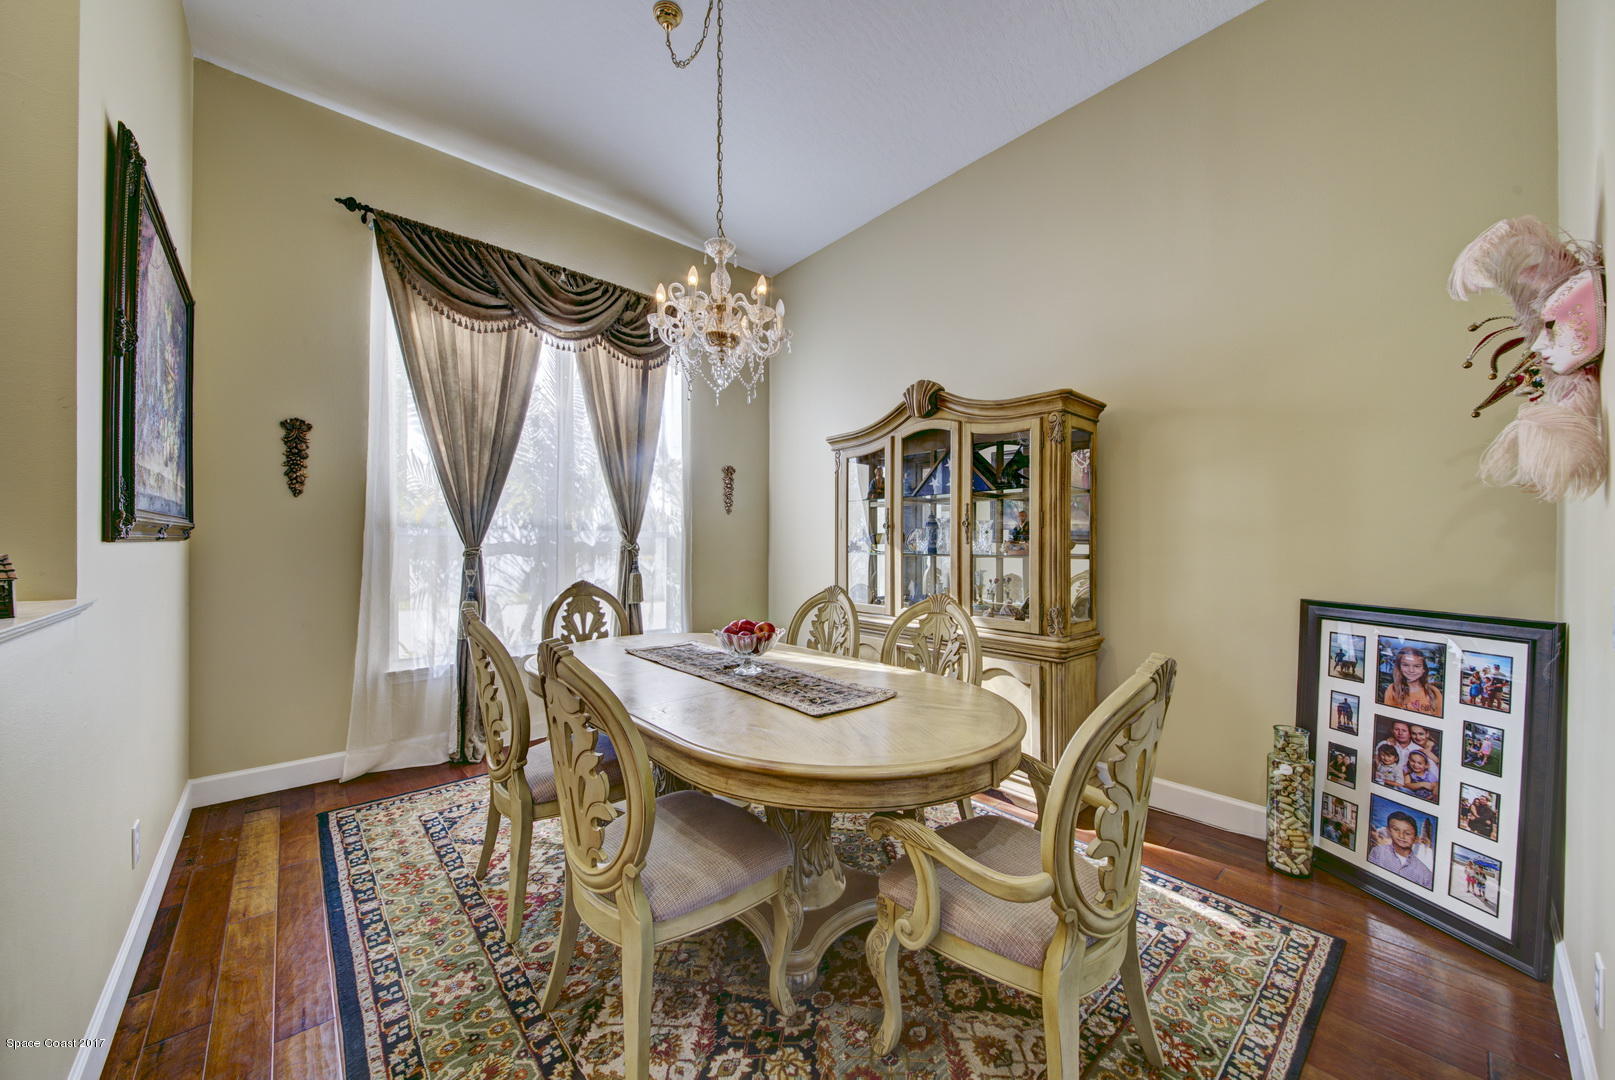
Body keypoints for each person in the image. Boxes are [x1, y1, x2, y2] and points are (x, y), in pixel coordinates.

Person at [1367, 810, 1435, 888]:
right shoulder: (1377, 852)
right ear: (1389, 831)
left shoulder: (1426, 875)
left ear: (1416, 838)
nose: (1401, 836)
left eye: (1407, 833)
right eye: (1396, 830)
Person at [1381, 645, 1443, 715]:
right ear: (1399, 667)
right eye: (1405, 665)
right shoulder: (1393, 689)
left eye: (1417, 666)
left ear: (1423, 669)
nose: (1411, 670)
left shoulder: (1434, 692)